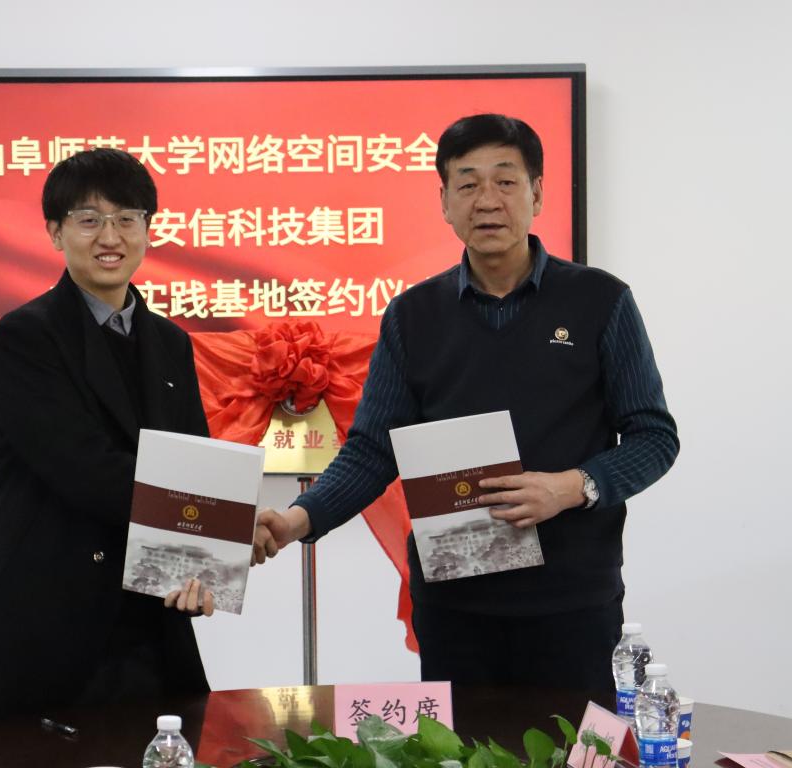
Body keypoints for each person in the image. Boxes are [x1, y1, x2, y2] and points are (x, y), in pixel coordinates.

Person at [254, 114, 679, 690]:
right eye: (468, 184)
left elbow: (654, 437)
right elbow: (373, 451)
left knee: (574, 741)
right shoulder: (413, 316)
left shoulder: (600, 300)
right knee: (457, 741)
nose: (487, 201)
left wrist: (571, 486)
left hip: (574, 600)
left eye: (505, 181)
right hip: (454, 604)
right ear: (445, 202)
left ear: (537, 193)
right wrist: (297, 519)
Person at [0, 148, 213, 730]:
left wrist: (210, 555)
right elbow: (83, 468)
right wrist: (218, 522)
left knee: (169, 748)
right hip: (53, 612)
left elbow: (194, 462)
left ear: (148, 228)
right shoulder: (27, 336)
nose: (110, 237)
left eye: (127, 218)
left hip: (151, 618)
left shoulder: (170, 343)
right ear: (55, 231)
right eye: (89, 219)